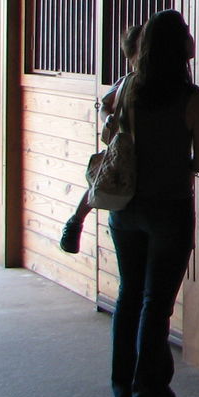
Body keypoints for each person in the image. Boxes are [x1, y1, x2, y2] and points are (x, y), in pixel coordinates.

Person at [108, 9, 199, 397]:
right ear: (179, 46)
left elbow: (110, 138)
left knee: (129, 298)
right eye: (187, 32)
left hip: (126, 208)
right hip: (169, 208)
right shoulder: (194, 99)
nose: (192, 36)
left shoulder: (127, 89)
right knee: (156, 306)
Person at [60, 23, 143, 255]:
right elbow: (104, 105)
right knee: (99, 183)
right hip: (122, 146)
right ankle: (76, 221)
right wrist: (107, 119)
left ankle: (76, 222)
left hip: (133, 148)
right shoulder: (125, 81)